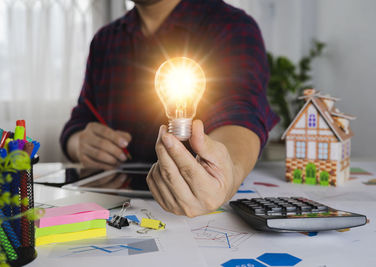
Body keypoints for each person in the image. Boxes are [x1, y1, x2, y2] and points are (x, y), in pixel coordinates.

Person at [60, 0, 279, 217]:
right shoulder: (104, 42)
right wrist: (81, 143)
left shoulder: (232, 26)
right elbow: (80, 120)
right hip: (118, 211)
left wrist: (228, 171)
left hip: (199, 218)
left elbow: (241, 111)